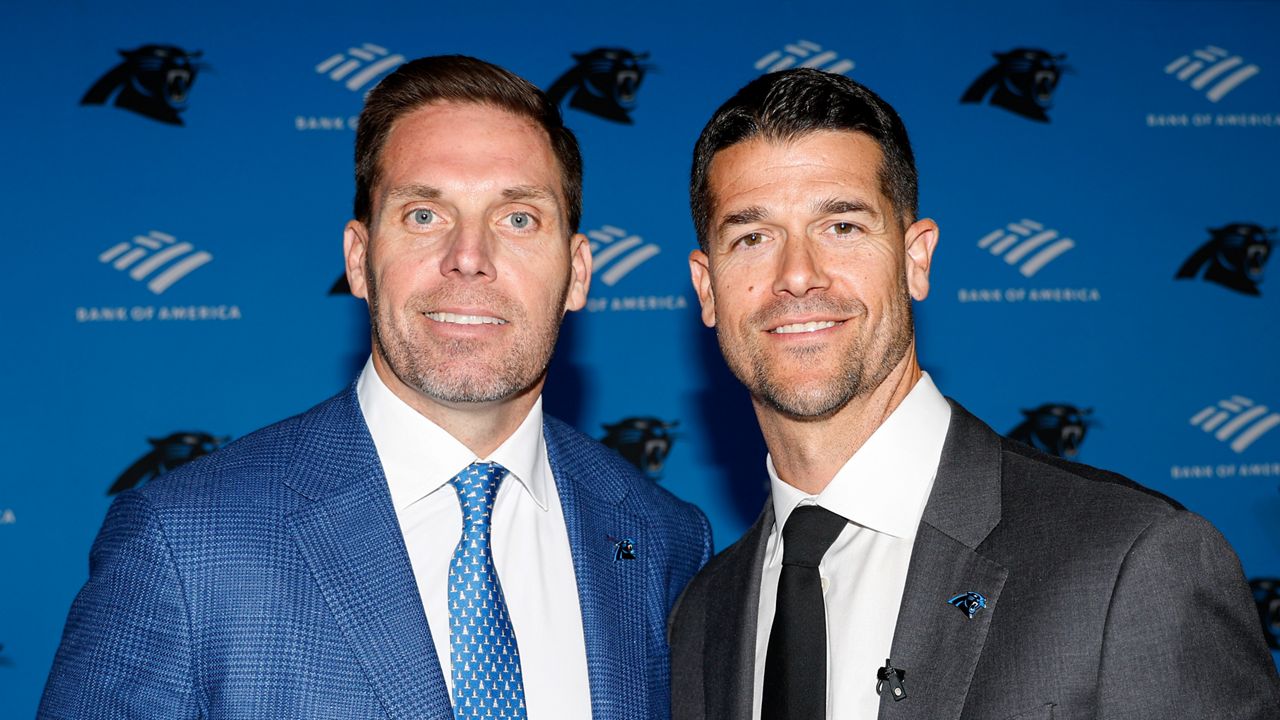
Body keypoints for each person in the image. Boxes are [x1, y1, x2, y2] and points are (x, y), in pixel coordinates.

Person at [40, 55, 711, 720]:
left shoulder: (664, 539)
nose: (469, 258)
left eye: (517, 219)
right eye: (424, 215)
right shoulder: (182, 543)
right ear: (359, 260)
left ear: (579, 273)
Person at [668, 68, 1279, 720]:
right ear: (708, 289)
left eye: (841, 226)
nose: (797, 276)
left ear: (916, 258)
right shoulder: (703, 613)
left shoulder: (1133, 564)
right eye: (752, 237)